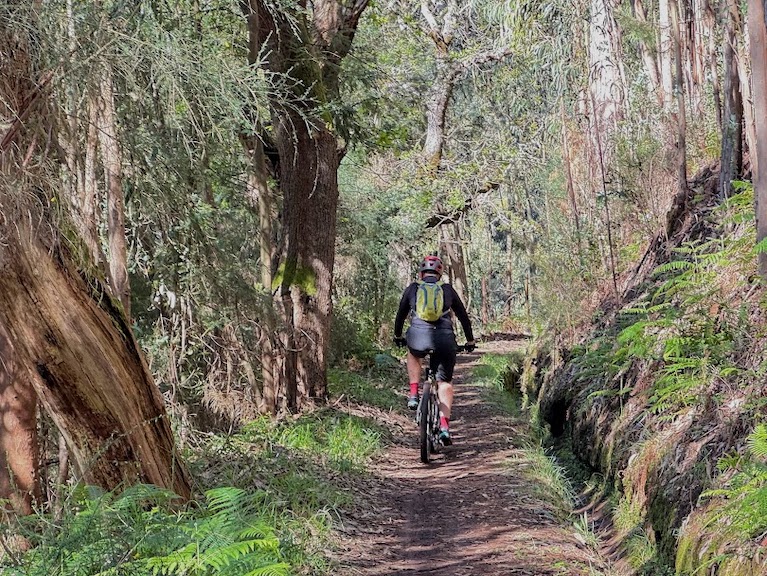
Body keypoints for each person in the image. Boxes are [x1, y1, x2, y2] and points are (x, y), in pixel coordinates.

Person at [393, 255, 475, 445]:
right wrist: (470, 341)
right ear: (440, 273)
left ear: (421, 273)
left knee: (413, 353)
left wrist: (398, 336)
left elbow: (400, 315)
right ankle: (445, 427)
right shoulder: (447, 290)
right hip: (445, 339)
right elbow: (463, 317)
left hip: (417, 336)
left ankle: (414, 394)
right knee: (444, 382)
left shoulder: (413, 289)